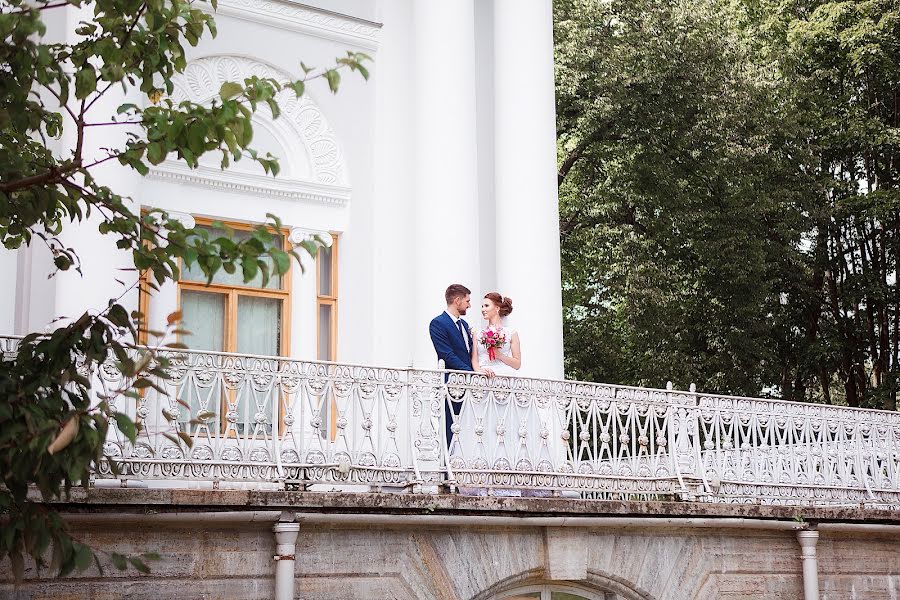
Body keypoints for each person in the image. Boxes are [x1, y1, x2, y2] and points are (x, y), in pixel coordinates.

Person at [429, 284, 478, 449]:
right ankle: (446, 465)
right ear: (457, 300)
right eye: (467, 301)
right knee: (450, 425)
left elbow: (470, 353)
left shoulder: (464, 325)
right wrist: (471, 373)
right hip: (452, 384)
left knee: (470, 425)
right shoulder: (438, 323)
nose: (469, 305)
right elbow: (446, 354)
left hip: (470, 384)